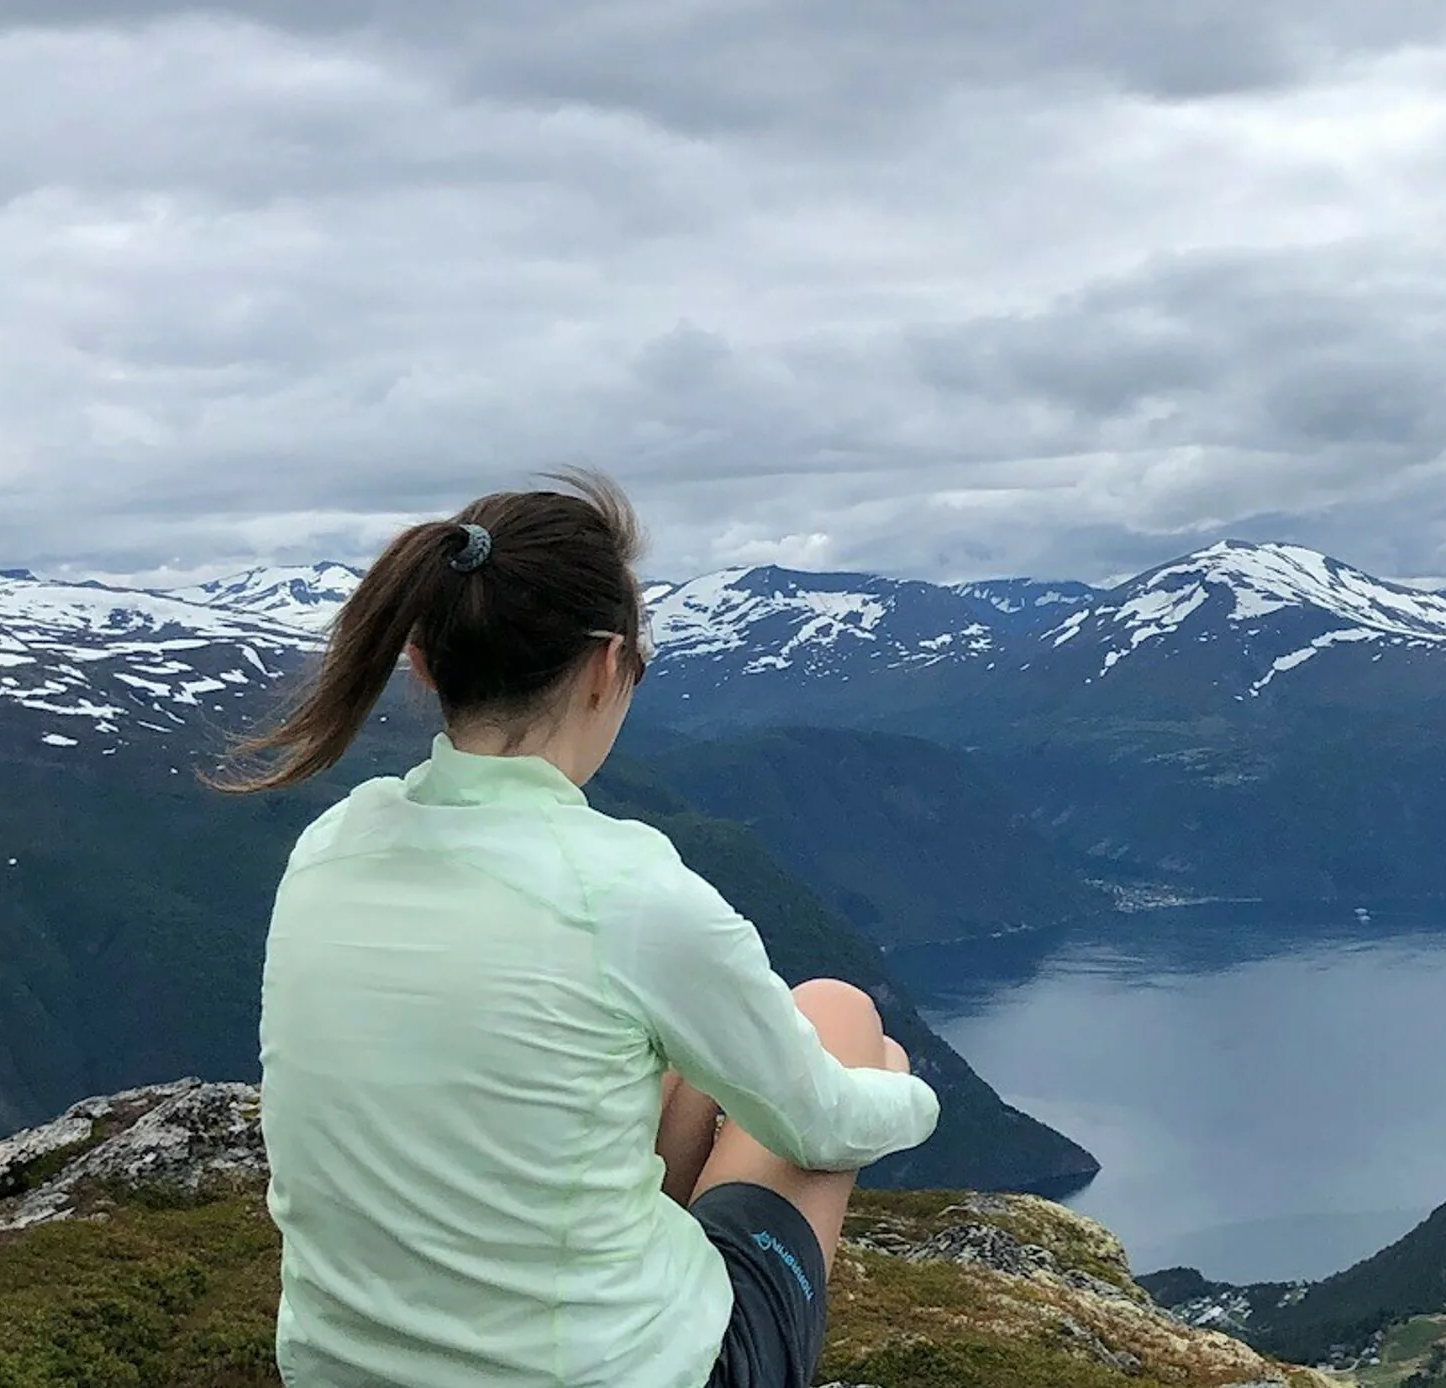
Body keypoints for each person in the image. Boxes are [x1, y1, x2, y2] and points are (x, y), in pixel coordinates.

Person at [213, 471, 939, 1388]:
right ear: (606, 667)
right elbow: (825, 1124)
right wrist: (908, 1092)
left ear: (425, 664)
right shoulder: (625, 887)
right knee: (836, 1015)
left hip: (341, 1369)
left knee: (655, 1041)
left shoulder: (331, 844)